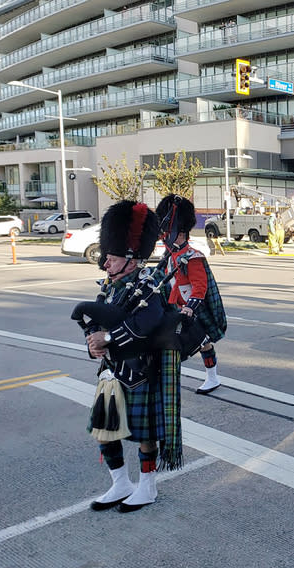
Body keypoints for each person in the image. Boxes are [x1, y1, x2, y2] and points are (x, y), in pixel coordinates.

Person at [82, 200, 182, 513]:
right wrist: (92, 344)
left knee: (144, 436)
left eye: (110, 259)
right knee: (104, 431)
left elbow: (146, 323)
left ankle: (148, 487)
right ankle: (120, 483)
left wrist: (109, 337)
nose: (105, 264)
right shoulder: (109, 288)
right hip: (110, 372)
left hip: (139, 372)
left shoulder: (148, 285)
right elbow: (96, 323)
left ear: (129, 257)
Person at [156, 194, 227, 394]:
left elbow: (200, 287)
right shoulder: (170, 256)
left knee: (203, 343)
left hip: (191, 310)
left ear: (180, 234)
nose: (164, 237)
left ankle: (213, 377)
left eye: (168, 233)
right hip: (174, 308)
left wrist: (189, 308)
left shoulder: (192, 257)